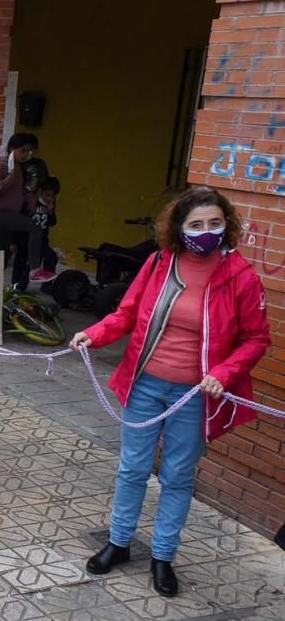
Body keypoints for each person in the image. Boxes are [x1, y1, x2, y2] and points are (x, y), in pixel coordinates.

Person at [70, 186, 270, 597]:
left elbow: (256, 338)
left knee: (178, 476)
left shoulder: (241, 277)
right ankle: (119, 543)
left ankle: (163, 556)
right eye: (196, 224)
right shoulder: (160, 262)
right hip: (145, 385)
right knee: (133, 469)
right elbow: (127, 312)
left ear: (227, 225)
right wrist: (93, 334)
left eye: (215, 223)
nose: (206, 231)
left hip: (195, 395)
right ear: (179, 228)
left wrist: (226, 372)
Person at [0, 132, 49, 290]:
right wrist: (11, 175)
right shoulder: (3, 165)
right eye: (23, 151)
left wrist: (30, 197)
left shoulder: (18, 166)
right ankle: (34, 269)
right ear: (12, 148)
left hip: (11, 213)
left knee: (1, 254)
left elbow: (20, 189)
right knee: (35, 227)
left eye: (29, 151)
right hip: (1, 213)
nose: (26, 155)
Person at [28, 176, 61, 282]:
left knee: (51, 257)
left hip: (43, 240)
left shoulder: (50, 205)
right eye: (47, 195)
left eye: (53, 196)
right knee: (28, 264)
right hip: (29, 240)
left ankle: (47, 283)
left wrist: (51, 211)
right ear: (41, 192)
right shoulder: (32, 203)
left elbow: (52, 223)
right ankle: (19, 286)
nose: (49, 199)